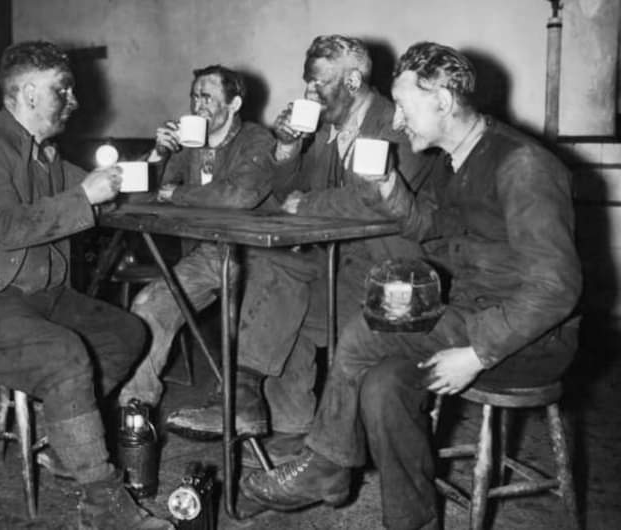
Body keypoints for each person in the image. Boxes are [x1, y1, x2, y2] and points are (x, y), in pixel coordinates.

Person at [240, 41, 582, 530]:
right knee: (382, 387)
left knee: (364, 331)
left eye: (404, 106)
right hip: (472, 312)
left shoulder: (521, 165)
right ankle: (414, 521)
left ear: (442, 102)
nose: (397, 121)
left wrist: (477, 354)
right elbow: (429, 227)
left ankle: (327, 467)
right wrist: (389, 189)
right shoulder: (455, 159)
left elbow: (556, 289)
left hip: (530, 336)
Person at [0, 41, 173, 530]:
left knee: (127, 334)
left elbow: (97, 191)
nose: (74, 101)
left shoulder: (43, 155)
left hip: (29, 297)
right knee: (65, 354)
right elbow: (8, 226)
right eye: (62, 90)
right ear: (28, 93)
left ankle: (68, 444)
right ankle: (102, 504)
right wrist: (85, 195)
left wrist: (154, 159)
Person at [166, 35, 441, 463]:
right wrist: (288, 146)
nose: (308, 93)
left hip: (388, 275)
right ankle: (279, 424)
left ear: (352, 80)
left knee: (281, 296)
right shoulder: (327, 129)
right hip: (335, 261)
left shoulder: (397, 122)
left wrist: (307, 204)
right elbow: (289, 189)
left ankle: (253, 408)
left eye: (317, 84)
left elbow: (376, 202)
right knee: (272, 276)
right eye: (306, 83)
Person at [118, 64, 276, 408]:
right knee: (149, 305)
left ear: (233, 104)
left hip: (255, 257)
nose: (197, 105)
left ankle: (241, 408)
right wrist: (159, 154)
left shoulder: (257, 139)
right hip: (206, 256)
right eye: (194, 96)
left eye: (207, 97)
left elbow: (239, 197)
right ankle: (135, 410)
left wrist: (173, 193)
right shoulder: (187, 144)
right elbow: (134, 197)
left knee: (246, 337)